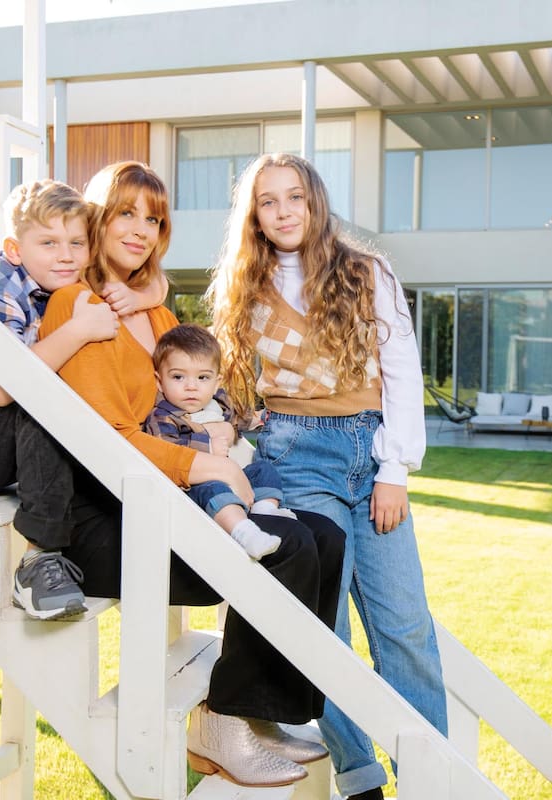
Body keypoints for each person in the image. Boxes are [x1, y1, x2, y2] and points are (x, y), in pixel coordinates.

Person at [38, 161, 346, 788]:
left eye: (154, 220)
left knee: (325, 537)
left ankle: (263, 713)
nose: (141, 230)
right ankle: (222, 721)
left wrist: (221, 431)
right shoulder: (77, 307)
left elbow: (190, 400)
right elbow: (108, 441)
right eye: (126, 213)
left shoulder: (153, 314)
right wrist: (205, 462)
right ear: (98, 219)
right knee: (288, 546)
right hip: (107, 514)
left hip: (164, 494)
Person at [206, 153, 447, 800]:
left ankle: (431, 778)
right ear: (254, 216)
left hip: (372, 453)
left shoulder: (367, 272)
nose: (284, 211)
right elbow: (225, 381)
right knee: (326, 625)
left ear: (315, 201)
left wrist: (394, 469)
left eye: (295, 197)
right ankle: (360, 776)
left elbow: (402, 370)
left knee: (405, 625)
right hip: (296, 453)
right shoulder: (243, 286)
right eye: (268, 201)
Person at [0, 179, 167, 621]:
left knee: (61, 393)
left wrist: (147, 294)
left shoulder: (56, 283)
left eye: (76, 243)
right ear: (14, 249)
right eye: (48, 243)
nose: (65, 255)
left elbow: (150, 279)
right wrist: (79, 330)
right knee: (42, 399)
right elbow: (2, 387)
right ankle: (38, 560)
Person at [146, 323, 301, 560]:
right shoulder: (163, 416)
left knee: (263, 469)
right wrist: (206, 445)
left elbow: (236, 417)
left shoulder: (217, 403)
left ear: (216, 381)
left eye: (202, 377)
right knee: (213, 489)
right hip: (194, 488)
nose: (191, 386)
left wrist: (256, 418)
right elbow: (165, 450)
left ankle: (265, 510)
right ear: (159, 381)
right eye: (178, 377)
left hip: (231, 482)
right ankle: (245, 533)